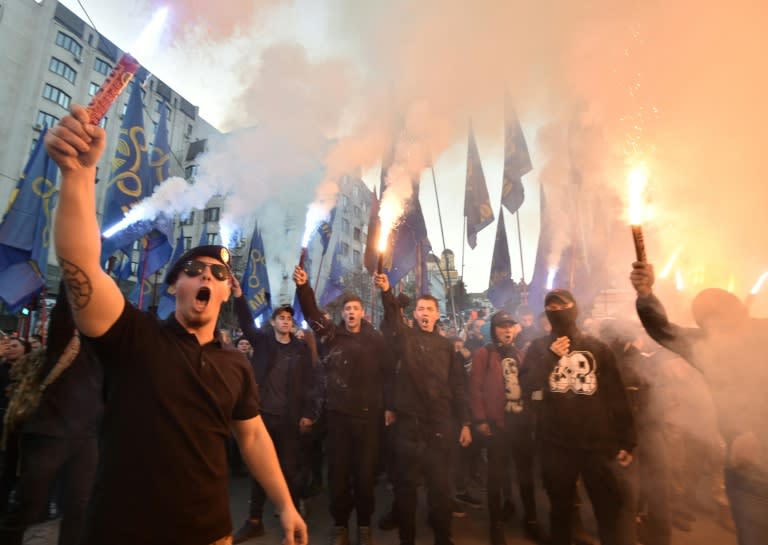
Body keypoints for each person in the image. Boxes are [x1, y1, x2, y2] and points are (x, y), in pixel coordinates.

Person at [44, 105, 306, 545]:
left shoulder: (235, 365)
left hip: (209, 534)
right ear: (173, 287)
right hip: (121, 531)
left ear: (228, 293)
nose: (208, 276)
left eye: (219, 275)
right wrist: (76, 174)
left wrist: (285, 505)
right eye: (195, 270)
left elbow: (254, 436)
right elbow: (80, 267)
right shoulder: (135, 337)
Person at [630, 261, 768, 545]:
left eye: (720, 320)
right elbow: (663, 329)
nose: (715, 330)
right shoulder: (706, 344)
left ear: (738, 312)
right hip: (745, 469)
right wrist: (645, 295)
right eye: (707, 323)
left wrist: (754, 430)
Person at [523, 289, 636, 545]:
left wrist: (627, 438)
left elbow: (616, 395)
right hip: (556, 444)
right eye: (551, 308)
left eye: (563, 306)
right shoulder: (539, 348)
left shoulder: (597, 348)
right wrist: (549, 358)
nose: (557, 312)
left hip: (596, 443)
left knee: (607, 509)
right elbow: (527, 385)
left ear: (575, 309)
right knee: (560, 510)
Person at [295, 266, 392, 545]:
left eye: (355, 308)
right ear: (342, 314)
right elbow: (312, 315)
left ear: (362, 312)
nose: (351, 312)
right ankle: (340, 526)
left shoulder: (375, 339)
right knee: (338, 476)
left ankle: (363, 525)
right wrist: (304, 288)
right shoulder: (331, 335)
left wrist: (388, 407)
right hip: (337, 420)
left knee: (364, 477)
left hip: (367, 420)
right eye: (347, 309)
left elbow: (388, 373)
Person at [0, 286, 103, 545]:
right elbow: (65, 312)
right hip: (50, 435)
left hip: (86, 440)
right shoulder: (66, 342)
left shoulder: (106, 354)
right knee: (29, 506)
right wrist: (77, 273)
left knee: (79, 508)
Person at [374, 273, 472, 545]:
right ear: (414, 315)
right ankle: (407, 540)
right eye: (421, 309)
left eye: (430, 309)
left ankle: (443, 538)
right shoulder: (404, 338)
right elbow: (393, 318)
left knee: (440, 490)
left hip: (440, 427)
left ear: (438, 314)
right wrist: (386, 292)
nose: (425, 313)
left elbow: (458, 385)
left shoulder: (447, 347)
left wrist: (465, 421)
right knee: (406, 492)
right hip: (409, 427)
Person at [229, 287, 317, 543]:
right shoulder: (264, 342)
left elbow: (311, 383)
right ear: (273, 322)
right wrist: (238, 296)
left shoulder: (301, 349)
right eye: (281, 317)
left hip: (290, 420)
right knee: (260, 470)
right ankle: (254, 520)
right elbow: (246, 323)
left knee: (288, 470)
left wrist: (309, 413)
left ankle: (289, 515)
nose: (285, 321)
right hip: (263, 417)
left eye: (289, 318)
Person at [470, 311, 542, 545]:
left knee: (525, 476)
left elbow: (529, 388)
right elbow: (476, 388)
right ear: (494, 330)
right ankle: (495, 525)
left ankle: (531, 520)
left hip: (520, 426)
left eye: (510, 326)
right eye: (502, 327)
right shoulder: (484, 354)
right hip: (497, 426)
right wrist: (480, 419)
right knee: (496, 477)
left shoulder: (520, 354)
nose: (507, 330)